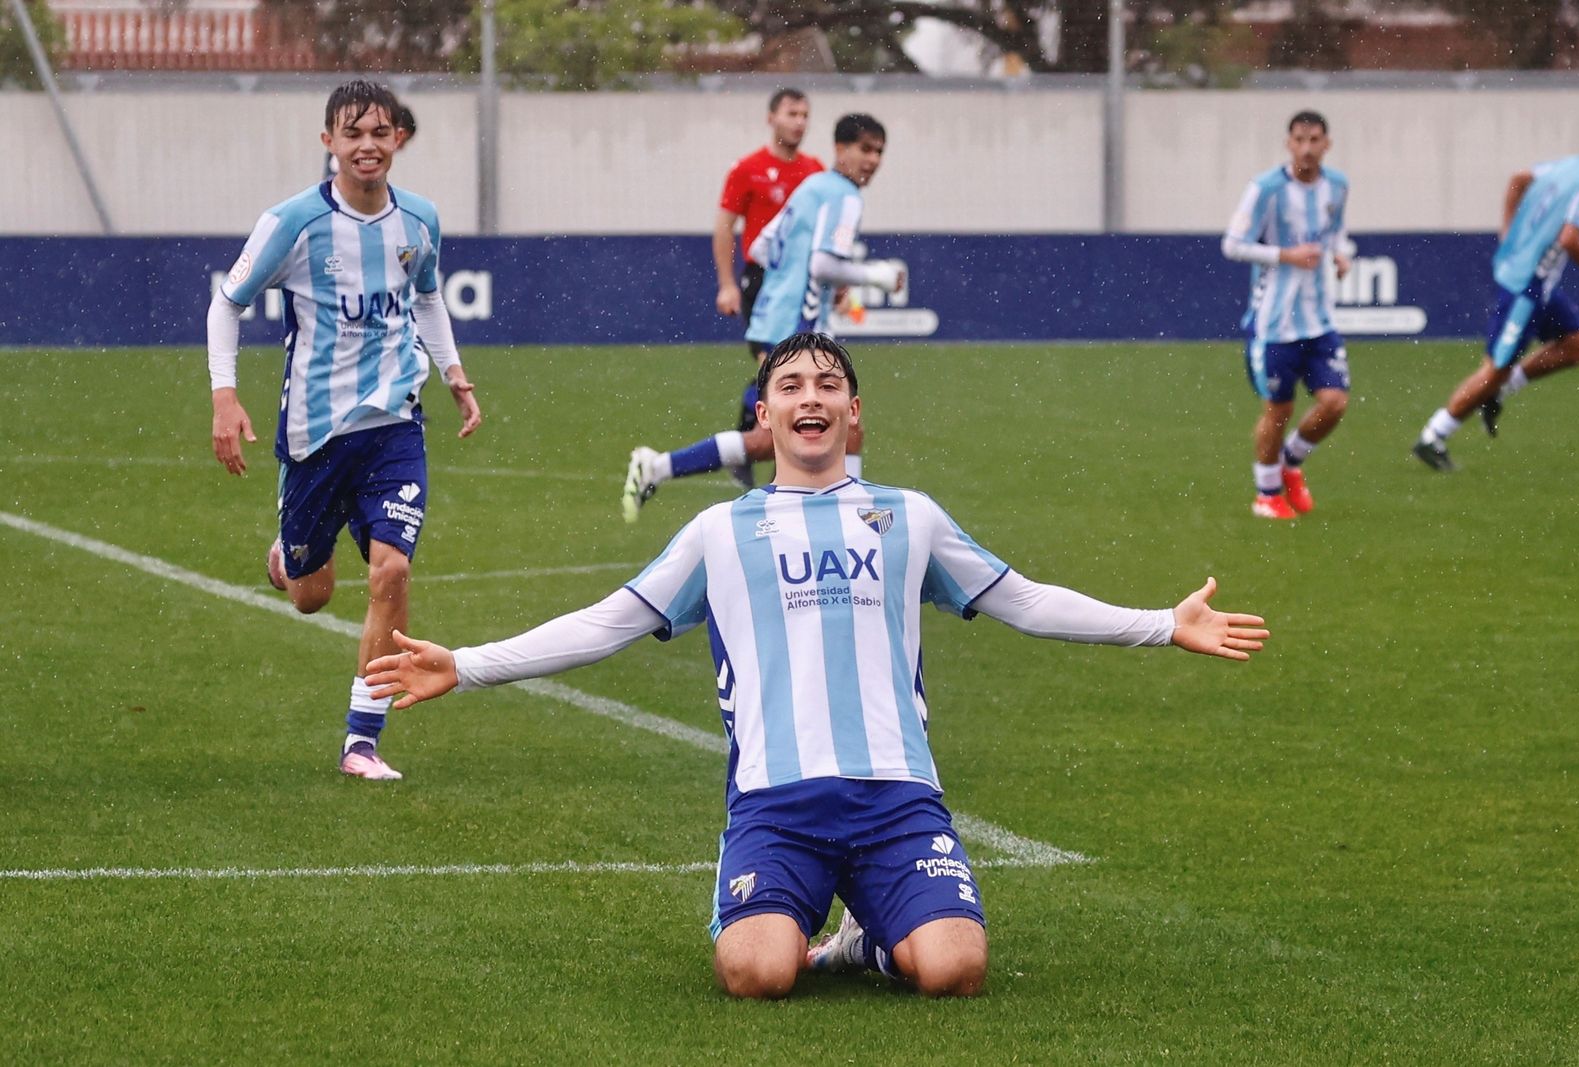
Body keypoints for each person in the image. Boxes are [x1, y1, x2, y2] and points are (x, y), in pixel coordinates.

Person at [367, 332, 1270, 999]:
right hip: (776, 802)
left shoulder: (909, 515)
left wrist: (1161, 622)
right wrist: (471, 662)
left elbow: (1024, 600)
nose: (810, 396)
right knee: (755, 974)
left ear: (852, 411)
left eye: (828, 384)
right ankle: (792, 915)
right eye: (790, 384)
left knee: (955, 970)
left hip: (897, 798)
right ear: (764, 415)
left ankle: (865, 943)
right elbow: (610, 622)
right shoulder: (720, 529)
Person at [208, 78, 483, 781]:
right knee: (312, 596)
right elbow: (227, 304)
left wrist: (454, 376)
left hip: (395, 424)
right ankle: (287, 557)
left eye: (380, 132)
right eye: (352, 133)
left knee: (391, 569)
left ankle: (361, 740)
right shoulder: (294, 223)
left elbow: (427, 300)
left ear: (399, 140)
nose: (367, 145)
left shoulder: (419, 220)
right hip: (315, 434)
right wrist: (225, 397)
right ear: (328, 141)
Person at [621, 114, 905, 523]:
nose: (873, 160)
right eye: (865, 149)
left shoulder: (811, 186)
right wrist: (873, 276)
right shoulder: (844, 196)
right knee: (825, 427)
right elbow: (824, 263)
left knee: (804, 432)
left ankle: (788, 513)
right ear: (840, 149)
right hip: (797, 326)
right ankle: (845, 514)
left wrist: (794, 278)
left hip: (775, 319)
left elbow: (763, 247)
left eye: (879, 152)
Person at [1413, 126, 1579, 472]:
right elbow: (1571, 238)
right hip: (1526, 283)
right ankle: (1432, 436)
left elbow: (1518, 178)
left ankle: (1499, 391)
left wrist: (1508, 230)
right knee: (1495, 368)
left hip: (1534, 280)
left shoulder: (1570, 166)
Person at [1222, 110, 1353, 520]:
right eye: (1300, 140)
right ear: (1288, 143)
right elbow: (1232, 245)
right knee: (1278, 409)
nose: (1307, 149)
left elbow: (1335, 233)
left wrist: (1341, 254)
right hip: (1275, 322)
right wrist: (1285, 255)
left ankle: (1291, 462)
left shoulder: (1337, 186)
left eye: (1315, 140)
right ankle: (1266, 493)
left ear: (1327, 145)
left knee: (1335, 403)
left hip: (1319, 319)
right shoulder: (1266, 189)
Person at [713, 88, 825, 487]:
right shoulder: (748, 169)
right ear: (771, 118)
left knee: (791, 370)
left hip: (803, 283)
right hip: (762, 281)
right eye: (792, 113)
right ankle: (755, 446)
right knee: (779, 368)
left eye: (805, 114)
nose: (799, 121)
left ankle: (751, 438)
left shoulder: (815, 171)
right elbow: (725, 227)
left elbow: (821, 235)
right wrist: (727, 284)